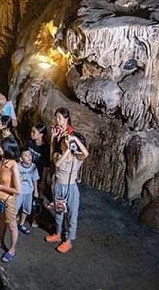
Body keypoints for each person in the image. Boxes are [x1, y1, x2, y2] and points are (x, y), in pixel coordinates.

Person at [45, 107, 88, 254]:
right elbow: (54, 158)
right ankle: (58, 233)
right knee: (59, 211)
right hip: (59, 184)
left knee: (71, 214)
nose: (58, 121)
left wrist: (73, 140)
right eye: (56, 117)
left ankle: (68, 240)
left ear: (67, 118)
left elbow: (85, 153)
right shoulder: (59, 152)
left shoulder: (76, 154)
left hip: (70, 186)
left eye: (60, 118)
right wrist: (53, 138)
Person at [28, 123, 50, 226]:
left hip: (38, 176)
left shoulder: (45, 149)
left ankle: (35, 218)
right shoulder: (29, 143)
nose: (31, 134)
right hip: (27, 174)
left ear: (41, 135)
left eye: (34, 132)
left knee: (36, 198)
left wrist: (43, 181)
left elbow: (46, 166)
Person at [15, 148, 39, 235]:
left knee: (26, 208)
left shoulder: (33, 166)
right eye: (26, 156)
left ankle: (21, 224)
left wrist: (36, 190)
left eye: (30, 155)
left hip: (29, 191)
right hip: (19, 191)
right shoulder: (17, 166)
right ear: (21, 159)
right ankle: (12, 225)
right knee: (15, 209)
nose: (29, 157)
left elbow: (35, 179)